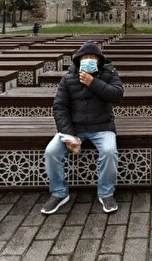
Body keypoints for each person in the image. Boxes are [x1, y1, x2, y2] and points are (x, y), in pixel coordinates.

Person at [42, 41, 124, 215]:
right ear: (78, 60)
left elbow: (117, 95)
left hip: (102, 126)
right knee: (51, 152)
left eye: (92, 57)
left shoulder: (109, 73)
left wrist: (93, 82)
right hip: (74, 128)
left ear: (99, 60)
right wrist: (70, 136)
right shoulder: (68, 77)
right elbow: (59, 107)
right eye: (85, 57)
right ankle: (59, 193)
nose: (88, 60)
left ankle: (106, 193)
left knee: (109, 151)